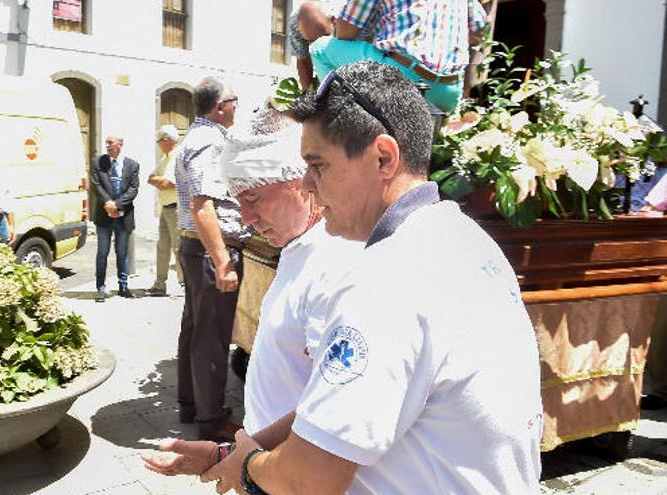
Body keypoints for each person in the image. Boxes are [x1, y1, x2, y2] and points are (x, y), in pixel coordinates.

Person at [195, 61, 542, 494]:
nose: (307, 183)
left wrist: (248, 468)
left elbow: (308, 481)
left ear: (383, 157)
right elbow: (335, 407)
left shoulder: (385, 279)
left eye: (317, 165)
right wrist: (236, 453)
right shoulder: (463, 236)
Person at [142, 110, 361, 478]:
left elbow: (335, 413)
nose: (245, 217)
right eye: (237, 200)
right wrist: (227, 454)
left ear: (301, 182)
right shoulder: (297, 249)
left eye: (255, 199)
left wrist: (242, 465)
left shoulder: (334, 265)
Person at [174, 76, 251, 442]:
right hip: (210, 249)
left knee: (195, 329)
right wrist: (222, 260)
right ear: (219, 106)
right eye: (234, 100)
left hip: (197, 247)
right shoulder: (209, 141)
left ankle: (191, 404)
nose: (238, 106)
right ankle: (211, 419)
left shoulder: (198, 137)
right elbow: (202, 203)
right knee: (212, 338)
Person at [310, 0, 488, 113]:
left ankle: (341, 118)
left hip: (402, 76)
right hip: (448, 90)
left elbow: (346, 32)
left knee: (319, 49)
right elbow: (479, 30)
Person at [90, 135, 140, 302]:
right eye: (107, 143)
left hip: (123, 216)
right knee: (102, 253)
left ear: (120, 145)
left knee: (122, 253)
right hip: (104, 216)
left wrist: (117, 205)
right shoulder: (98, 162)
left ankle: (123, 286)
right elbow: (96, 185)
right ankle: (100, 288)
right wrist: (108, 204)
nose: (108, 146)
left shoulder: (132, 165)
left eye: (111, 143)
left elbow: (133, 189)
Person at [289, 0, 375, 90]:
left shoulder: (352, 17)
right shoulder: (297, 22)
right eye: (311, 41)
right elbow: (302, 58)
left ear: (334, 21)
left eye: (324, 37)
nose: (319, 45)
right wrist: (309, 93)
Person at [147, 124, 183, 296]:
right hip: (165, 208)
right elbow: (151, 178)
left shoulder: (178, 157)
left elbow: (167, 184)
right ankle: (160, 284)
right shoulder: (165, 158)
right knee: (162, 248)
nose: (158, 144)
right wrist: (158, 181)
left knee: (178, 248)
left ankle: (185, 285)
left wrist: (158, 181)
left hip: (177, 209)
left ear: (167, 140)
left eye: (159, 141)